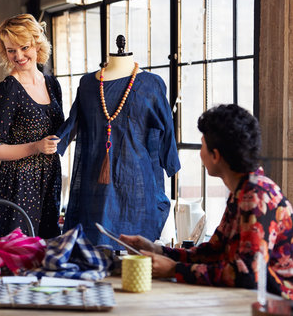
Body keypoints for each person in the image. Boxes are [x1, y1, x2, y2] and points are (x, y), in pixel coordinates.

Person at [120, 104, 293, 298]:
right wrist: (157, 250)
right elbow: (214, 252)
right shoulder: (243, 191)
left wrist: (175, 269)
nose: (200, 153)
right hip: (247, 302)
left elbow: (248, 276)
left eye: (202, 145)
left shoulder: (256, 196)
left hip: (275, 306)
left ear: (216, 155)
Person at [55, 37, 180, 248]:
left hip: (137, 186)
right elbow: (73, 123)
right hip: (94, 186)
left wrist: (170, 161)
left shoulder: (152, 84)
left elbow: (167, 128)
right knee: (94, 251)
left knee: (135, 254)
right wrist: (52, 144)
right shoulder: (87, 84)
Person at [0, 13, 64, 240]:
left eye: (23, 47)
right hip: (19, 185)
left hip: (50, 180)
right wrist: (35, 147)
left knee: (46, 253)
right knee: (18, 257)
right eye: (11, 50)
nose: (18, 56)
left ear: (37, 44)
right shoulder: (8, 89)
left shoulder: (52, 84)